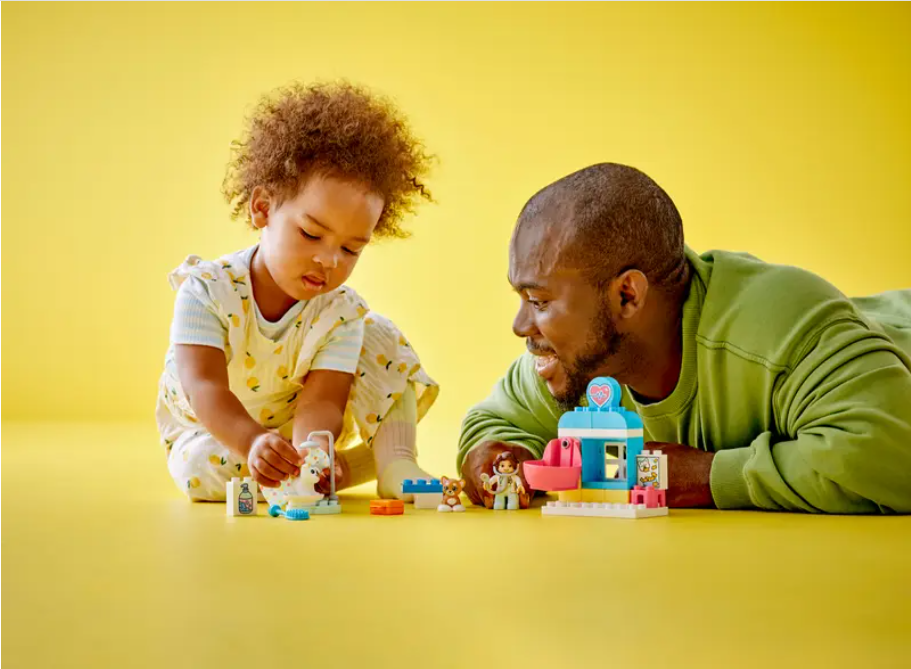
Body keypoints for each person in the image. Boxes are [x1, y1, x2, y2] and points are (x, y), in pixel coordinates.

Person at [458, 162, 911, 513]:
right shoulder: (583, 362)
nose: (520, 325)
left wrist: (709, 475)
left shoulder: (781, 326)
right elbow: (493, 425)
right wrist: (497, 461)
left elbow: (891, 454)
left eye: (538, 302)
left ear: (627, 295)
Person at [157, 82, 438, 502]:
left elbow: (322, 402)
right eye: (311, 234)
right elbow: (204, 388)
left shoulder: (337, 313)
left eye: (350, 248)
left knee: (377, 332)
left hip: (291, 426)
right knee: (196, 471)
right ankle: (313, 473)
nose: (329, 261)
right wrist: (252, 443)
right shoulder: (206, 292)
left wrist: (312, 455)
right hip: (216, 428)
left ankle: (394, 459)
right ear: (263, 208)